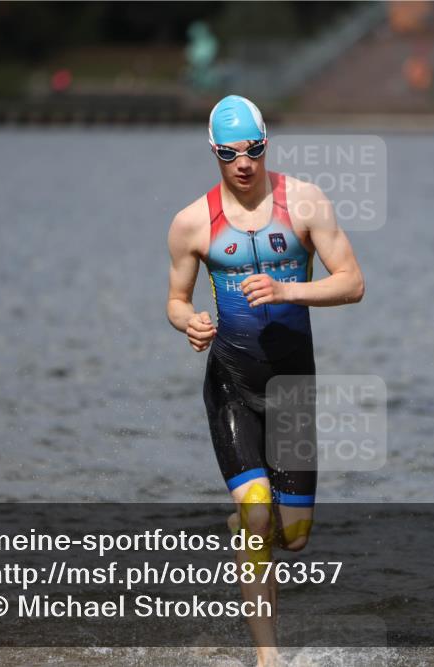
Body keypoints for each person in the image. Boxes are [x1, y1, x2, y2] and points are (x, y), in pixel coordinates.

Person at [166, 94, 364, 666]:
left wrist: (288, 290)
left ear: (265, 146)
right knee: (256, 514)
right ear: (214, 153)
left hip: (292, 388)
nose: (244, 162)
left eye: (253, 150)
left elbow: (352, 282)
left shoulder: (304, 203)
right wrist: (191, 323)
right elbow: (175, 301)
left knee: (294, 536)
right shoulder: (191, 224)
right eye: (230, 153)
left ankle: (254, 529)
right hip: (229, 381)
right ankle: (268, 657)